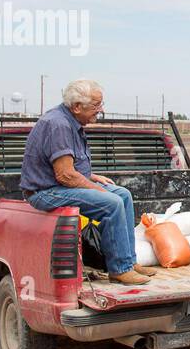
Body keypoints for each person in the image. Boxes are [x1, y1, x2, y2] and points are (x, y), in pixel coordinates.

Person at [20, 79, 158, 285]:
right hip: (45, 191)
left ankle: (129, 262)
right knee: (112, 202)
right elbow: (65, 175)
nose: (100, 110)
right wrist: (98, 190)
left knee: (123, 195)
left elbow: (66, 166)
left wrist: (92, 177)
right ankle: (119, 269)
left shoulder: (70, 121)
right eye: (96, 105)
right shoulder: (58, 124)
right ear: (77, 107)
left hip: (59, 184)